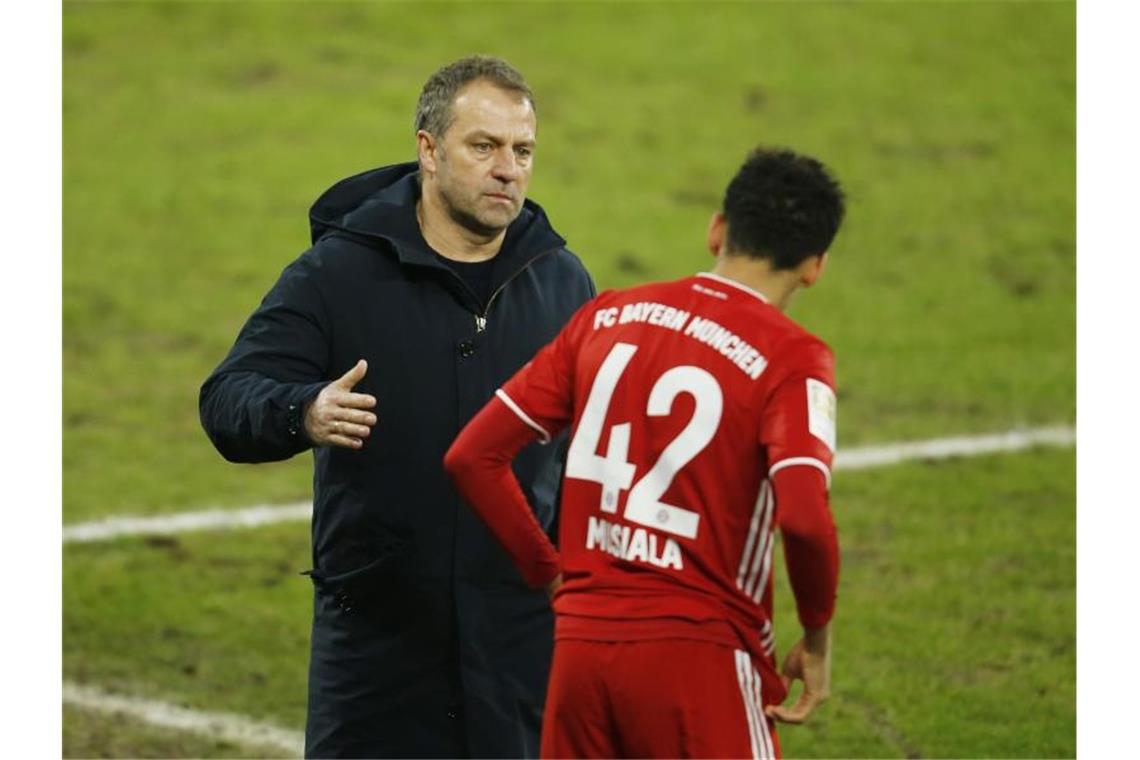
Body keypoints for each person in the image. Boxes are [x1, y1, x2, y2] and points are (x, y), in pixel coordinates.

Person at [199, 56, 595, 758]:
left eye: (522, 151)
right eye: (484, 146)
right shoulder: (339, 274)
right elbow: (228, 398)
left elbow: (593, 450)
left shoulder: (561, 284)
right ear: (429, 150)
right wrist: (304, 411)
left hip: (518, 649)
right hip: (380, 650)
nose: (508, 169)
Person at [445, 147, 845, 759]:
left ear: (718, 228)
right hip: (701, 660)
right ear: (815, 266)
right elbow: (804, 517)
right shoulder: (794, 359)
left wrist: (550, 573)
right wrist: (816, 633)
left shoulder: (608, 316)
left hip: (580, 657)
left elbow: (473, 455)